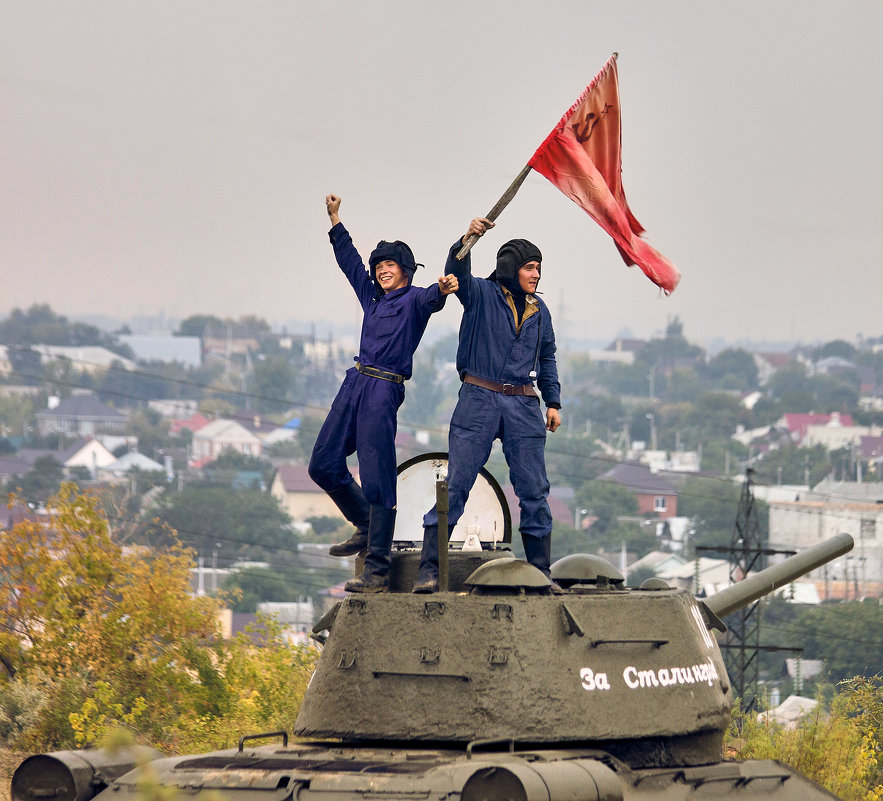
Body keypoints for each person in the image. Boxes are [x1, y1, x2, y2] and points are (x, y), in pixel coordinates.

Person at [309, 194, 459, 592]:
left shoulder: (414, 300)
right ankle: (364, 521)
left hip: (383, 388)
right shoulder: (371, 296)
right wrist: (336, 220)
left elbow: (434, 296)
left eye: (389, 265)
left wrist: (444, 287)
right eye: (379, 266)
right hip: (355, 381)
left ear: (405, 271)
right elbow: (350, 263)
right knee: (322, 464)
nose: (380, 271)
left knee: (376, 477)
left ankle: (377, 569)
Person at [413, 217, 562, 593]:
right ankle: (429, 570)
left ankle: (541, 574)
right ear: (513, 268)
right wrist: (469, 237)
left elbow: (547, 356)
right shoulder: (480, 294)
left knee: (533, 490)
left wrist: (553, 400)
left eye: (539, 268)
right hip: (479, 398)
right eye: (530, 267)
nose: (537, 275)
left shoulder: (539, 312)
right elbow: (456, 270)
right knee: (458, 484)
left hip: (523, 404)